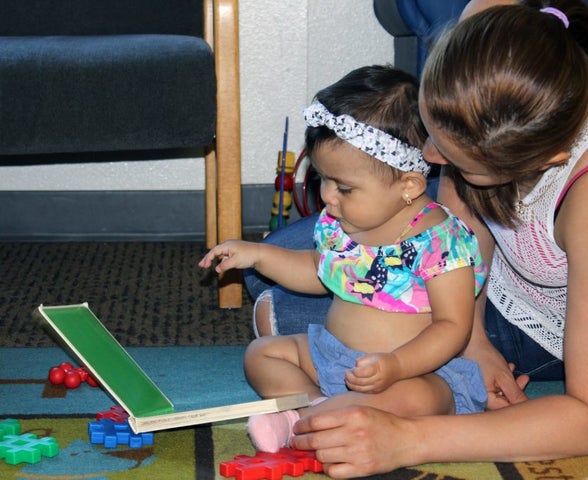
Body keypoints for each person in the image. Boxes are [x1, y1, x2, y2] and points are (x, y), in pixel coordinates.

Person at [242, 0, 588, 477]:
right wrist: (474, 338)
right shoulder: (496, 22)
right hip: (469, 271)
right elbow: (454, 209)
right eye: (433, 131)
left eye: (458, 161)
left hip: (556, 314)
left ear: (548, 158)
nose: (426, 155)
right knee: (284, 257)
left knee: (279, 306)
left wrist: (407, 440)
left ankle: (425, 386)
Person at [199, 65, 488, 453]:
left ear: (410, 185)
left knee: (420, 399)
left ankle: (307, 420)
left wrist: (397, 365)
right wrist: (258, 255)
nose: (328, 197)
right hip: (331, 355)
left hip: (412, 372)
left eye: (345, 187)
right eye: (323, 180)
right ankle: (316, 408)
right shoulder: (340, 222)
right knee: (262, 353)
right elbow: (318, 273)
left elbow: (453, 326)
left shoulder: (440, 241)